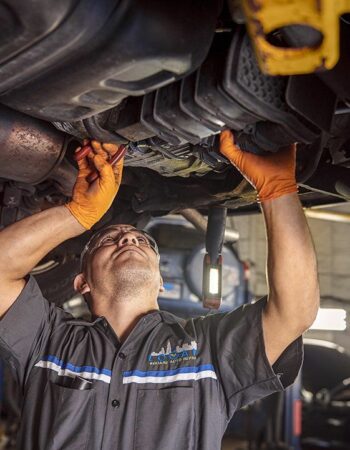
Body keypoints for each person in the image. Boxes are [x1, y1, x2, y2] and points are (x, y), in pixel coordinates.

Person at [0, 134, 319, 450]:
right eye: (107, 240)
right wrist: (78, 214)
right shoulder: (50, 340)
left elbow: (294, 312)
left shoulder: (207, 349)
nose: (128, 239)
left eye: (142, 242)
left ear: (161, 280)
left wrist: (278, 190)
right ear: (82, 282)